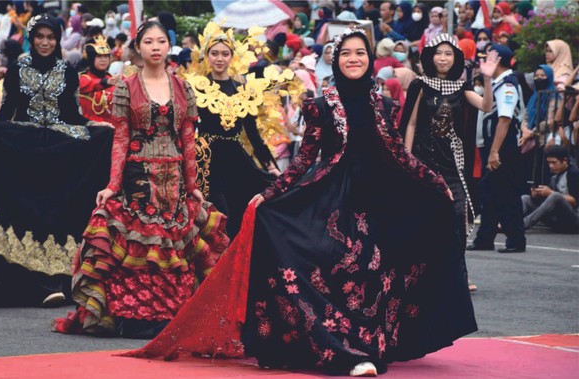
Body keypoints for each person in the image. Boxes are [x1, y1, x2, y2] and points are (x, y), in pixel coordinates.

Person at [122, 27, 477, 377]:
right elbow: (305, 159)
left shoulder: (383, 104)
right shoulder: (320, 106)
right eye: (346, 54)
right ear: (336, 60)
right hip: (333, 196)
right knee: (330, 259)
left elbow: (400, 154)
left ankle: (366, 345)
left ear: (369, 60)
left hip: (378, 198)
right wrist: (270, 193)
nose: (354, 59)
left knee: (374, 267)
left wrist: (436, 184)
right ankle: (344, 351)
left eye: (360, 53)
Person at [52, 21, 228, 338]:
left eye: (161, 41)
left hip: (173, 178)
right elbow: (120, 138)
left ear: (168, 46)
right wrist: (111, 186)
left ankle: (169, 312)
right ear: (138, 47)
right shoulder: (125, 86)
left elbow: (188, 139)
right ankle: (133, 314)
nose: (156, 47)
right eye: (149, 41)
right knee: (139, 245)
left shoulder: (183, 87)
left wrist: (193, 187)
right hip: (137, 177)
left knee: (172, 245)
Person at [0, 13, 114, 308]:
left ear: (58, 39)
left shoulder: (67, 70)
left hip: (58, 149)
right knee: (23, 210)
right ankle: (24, 283)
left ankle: (59, 280)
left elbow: (71, 114)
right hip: (24, 147)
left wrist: (94, 126)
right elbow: (8, 110)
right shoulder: (18, 69)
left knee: (58, 208)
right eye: (40, 37)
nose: (45, 43)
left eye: (51, 37)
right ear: (31, 39)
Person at [400, 34, 499, 291]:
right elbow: (410, 124)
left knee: (457, 214)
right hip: (422, 158)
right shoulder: (419, 84)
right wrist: (406, 161)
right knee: (424, 216)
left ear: (456, 59)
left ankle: (458, 274)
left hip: (452, 161)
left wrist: (486, 79)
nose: (442, 58)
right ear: (430, 56)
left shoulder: (462, 87)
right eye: (438, 52)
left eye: (448, 53)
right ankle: (418, 274)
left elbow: (487, 106)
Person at [187, 24, 280, 238]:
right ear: (207, 56)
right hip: (206, 159)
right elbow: (188, 127)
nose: (220, 58)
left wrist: (269, 165)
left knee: (241, 212)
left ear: (232, 57)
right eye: (215, 53)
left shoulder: (243, 91)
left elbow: (252, 132)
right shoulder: (197, 88)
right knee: (216, 215)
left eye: (225, 54)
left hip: (235, 158)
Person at [468, 44, 527, 253]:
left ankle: (516, 239)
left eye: (488, 57)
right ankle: (485, 238)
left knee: (506, 193)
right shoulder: (497, 83)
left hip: (503, 146)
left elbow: (505, 120)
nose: (484, 61)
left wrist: (494, 151)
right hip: (494, 146)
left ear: (499, 60)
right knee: (489, 194)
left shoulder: (508, 85)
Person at [522, 145, 579, 233]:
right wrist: (538, 194)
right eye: (549, 163)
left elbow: (575, 201)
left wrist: (550, 193)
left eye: (554, 162)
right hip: (557, 219)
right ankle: (512, 222)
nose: (551, 166)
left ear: (565, 161)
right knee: (525, 198)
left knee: (555, 196)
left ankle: (522, 224)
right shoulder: (554, 175)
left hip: (574, 219)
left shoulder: (573, 174)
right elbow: (549, 202)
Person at [79, 36, 119, 124]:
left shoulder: (111, 78)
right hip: (91, 128)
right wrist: (105, 82)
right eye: (99, 56)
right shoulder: (83, 78)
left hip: (112, 128)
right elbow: (88, 85)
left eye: (106, 56)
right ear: (91, 59)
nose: (103, 60)